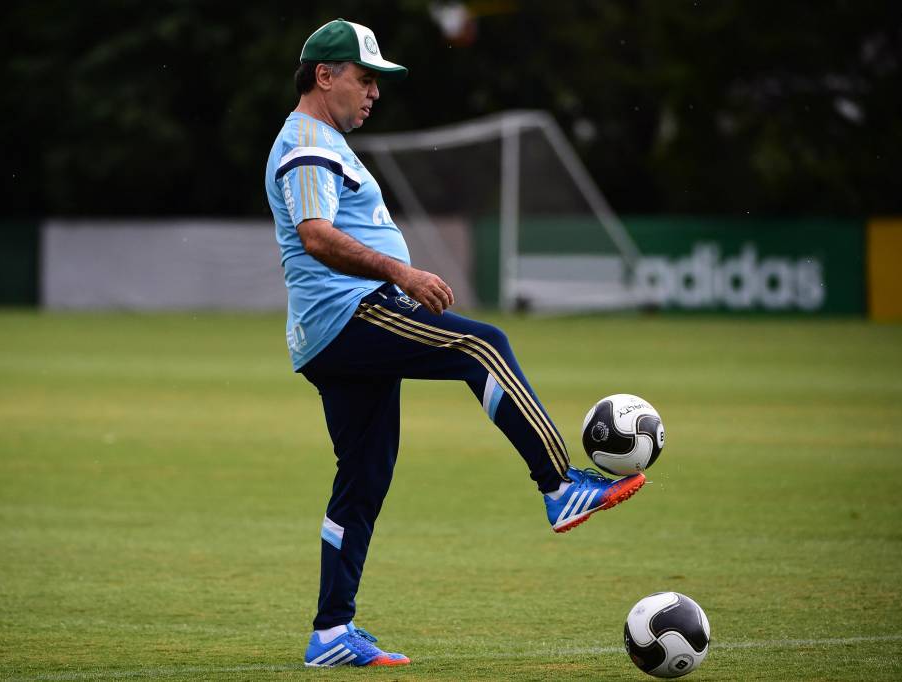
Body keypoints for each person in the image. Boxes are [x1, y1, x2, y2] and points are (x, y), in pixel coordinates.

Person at [264, 18, 647, 668]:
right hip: (352, 314)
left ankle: (330, 634)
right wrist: (401, 272)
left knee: (362, 480)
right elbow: (315, 234)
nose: (374, 92)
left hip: (335, 328)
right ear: (323, 76)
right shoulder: (305, 144)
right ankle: (559, 486)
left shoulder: (322, 139)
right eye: (365, 78)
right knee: (482, 346)